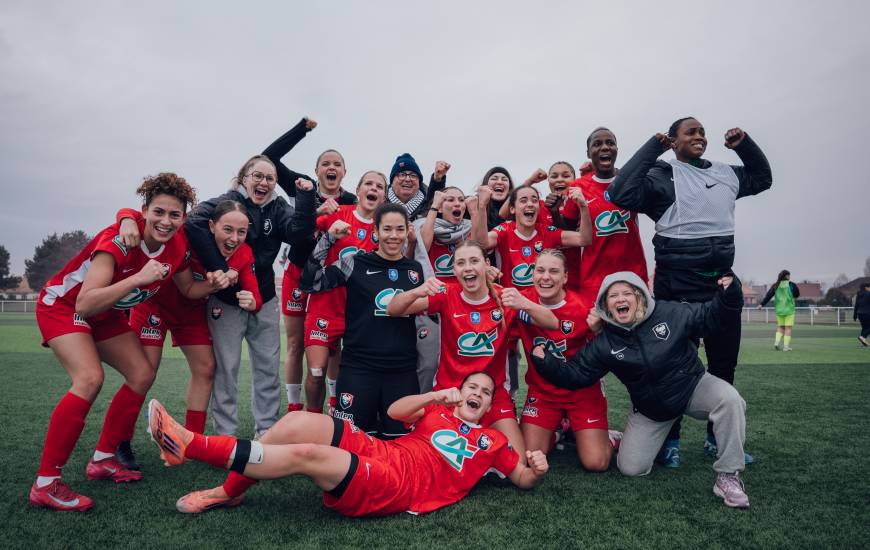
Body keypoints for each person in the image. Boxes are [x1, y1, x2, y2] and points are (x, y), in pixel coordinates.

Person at [30, 173, 228, 512]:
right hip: (64, 306)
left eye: (174, 215)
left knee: (141, 374)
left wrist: (215, 282)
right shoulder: (119, 240)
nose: (166, 222)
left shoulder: (177, 245)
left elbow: (187, 290)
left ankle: (103, 459)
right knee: (90, 379)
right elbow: (85, 303)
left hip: (104, 314)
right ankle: (46, 483)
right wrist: (138, 277)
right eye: (159, 212)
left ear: (183, 217)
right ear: (144, 211)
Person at [147, 371, 548, 515]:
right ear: (461, 392)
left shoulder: (492, 440)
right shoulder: (437, 410)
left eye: (484, 391)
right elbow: (394, 412)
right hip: (384, 450)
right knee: (297, 422)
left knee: (309, 455)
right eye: (471, 386)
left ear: (491, 402)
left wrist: (537, 470)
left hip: (399, 486)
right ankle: (227, 492)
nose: (476, 393)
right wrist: (433, 396)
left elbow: (522, 478)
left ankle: (189, 443)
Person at [608, 117, 772, 466]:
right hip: (675, 285)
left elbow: (762, 178)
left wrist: (744, 145)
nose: (699, 136)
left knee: (723, 363)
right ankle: (672, 440)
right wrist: (655, 147)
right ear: (674, 141)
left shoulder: (726, 173)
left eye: (702, 132)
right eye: (690, 132)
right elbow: (620, 192)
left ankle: (718, 439)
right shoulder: (662, 175)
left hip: (719, 286)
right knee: (672, 364)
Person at [531, 271, 751, 508]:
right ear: (605, 305)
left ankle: (728, 475)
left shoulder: (670, 312)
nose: (620, 299)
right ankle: (624, 439)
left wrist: (731, 292)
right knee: (631, 468)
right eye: (613, 295)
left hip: (692, 387)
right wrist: (545, 362)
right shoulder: (606, 342)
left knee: (730, 399)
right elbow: (576, 374)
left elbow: (712, 316)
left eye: (627, 293)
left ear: (640, 296)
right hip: (651, 410)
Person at [112, 200, 261, 468]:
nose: (234, 238)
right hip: (154, 305)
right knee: (143, 374)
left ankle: (192, 442)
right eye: (228, 229)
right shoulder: (189, 235)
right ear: (212, 227)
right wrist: (125, 218)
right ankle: (119, 442)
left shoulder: (243, 253)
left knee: (206, 369)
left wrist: (252, 300)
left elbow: (254, 292)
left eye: (241, 232)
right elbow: (145, 215)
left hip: (192, 312)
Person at [387, 240, 559, 463]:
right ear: (455, 270)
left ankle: (487, 437)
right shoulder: (447, 294)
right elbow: (393, 309)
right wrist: (417, 291)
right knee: (435, 456)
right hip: (451, 394)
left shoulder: (505, 298)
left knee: (518, 462)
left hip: (494, 396)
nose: (467, 267)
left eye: (474, 261)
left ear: (486, 265)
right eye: (461, 263)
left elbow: (552, 322)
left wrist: (524, 303)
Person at [185, 155, 316, 437]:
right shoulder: (228, 201)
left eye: (270, 178)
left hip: (265, 298)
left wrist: (305, 198)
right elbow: (193, 222)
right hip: (225, 300)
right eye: (257, 175)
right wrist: (221, 270)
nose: (264, 182)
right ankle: (225, 435)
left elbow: (300, 234)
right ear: (244, 177)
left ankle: (266, 430)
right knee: (226, 368)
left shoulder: (278, 207)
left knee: (268, 368)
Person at [300, 203, 424, 438]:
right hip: (359, 370)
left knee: (399, 447)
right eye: (387, 229)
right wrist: (328, 240)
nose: (393, 236)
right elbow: (310, 283)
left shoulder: (415, 270)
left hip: (402, 372)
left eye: (399, 229)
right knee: (351, 444)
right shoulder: (354, 262)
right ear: (375, 232)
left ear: (408, 230)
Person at [260, 116, 356, 414]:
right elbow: (269, 158)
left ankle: (333, 404)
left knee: (332, 345)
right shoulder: (304, 188)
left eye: (336, 164)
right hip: (299, 275)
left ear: (344, 172)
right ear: (316, 170)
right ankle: (294, 408)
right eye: (325, 163)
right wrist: (302, 129)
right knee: (296, 344)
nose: (331, 167)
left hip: (331, 279)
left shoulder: (352, 200)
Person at [517, 249, 615, 471]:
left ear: (565, 277)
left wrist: (599, 332)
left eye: (554, 271)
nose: (546, 277)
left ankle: (609, 438)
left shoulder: (583, 309)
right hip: (543, 393)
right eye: (540, 270)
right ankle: (559, 429)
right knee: (529, 455)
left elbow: (607, 354)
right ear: (533, 274)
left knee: (596, 463)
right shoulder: (522, 302)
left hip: (582, 392)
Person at [303, 171, 386, 413]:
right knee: (316, 372)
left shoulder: (384, 229)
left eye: (379, 186)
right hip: (325, 306)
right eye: (368, 183)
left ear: (383, 196)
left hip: (357, 315)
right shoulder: (339, 213)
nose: (373, 188)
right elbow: (301, 230)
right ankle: (312, 418)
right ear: (358, 190)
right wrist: (318, 214)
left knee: (348, 377)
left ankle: (338, 416)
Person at [407, 187, 486, 392]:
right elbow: (422, 244)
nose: (457, 203)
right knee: (429, 363)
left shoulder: (468, 227)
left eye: (461, 199)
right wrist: (434, 206)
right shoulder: (426, 226)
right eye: (450, 200)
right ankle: (422, 409)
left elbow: (479, 245)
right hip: (433, 304)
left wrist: (475, 211)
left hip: (463, 304)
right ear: (441, 206)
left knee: (466, 360)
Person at [561, 127, 648, 303]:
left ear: (617, 149)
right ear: (588, 152)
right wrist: (555, 211)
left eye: (610, 143)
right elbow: (567, 229)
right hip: (594, 279)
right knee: (597, 330)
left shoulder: (631, 181)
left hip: (633, 275)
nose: (605, 147)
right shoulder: (578, 187)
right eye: (597, 144)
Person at [386, 154, 449, 220]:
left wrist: (438, 179)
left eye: (413, 175)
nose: (407, 179)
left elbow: (435, 199)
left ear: (419, 183)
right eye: (402, 175)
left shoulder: (427, 206)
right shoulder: (380, 202)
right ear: (392, 181)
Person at [758, 270, 800, 351]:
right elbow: (797, 294)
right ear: (787, 276)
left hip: (779, 310)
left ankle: (776, 343)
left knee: (780, 327)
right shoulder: (791, 285)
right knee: (788, 328)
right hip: (789, 310)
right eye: (789, 275)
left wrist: (761, 304)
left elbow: (768, 296)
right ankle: (786, 347)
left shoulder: (775, 285)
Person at [854, 282, 870, 347]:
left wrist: (854, 315)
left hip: (859, 314)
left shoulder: (858, 295)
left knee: (865, 327)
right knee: (868, 327)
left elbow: (856, 305)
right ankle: (862, 337)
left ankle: (863, 342)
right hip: (867, 313)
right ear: (866, 287)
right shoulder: (868, 294)